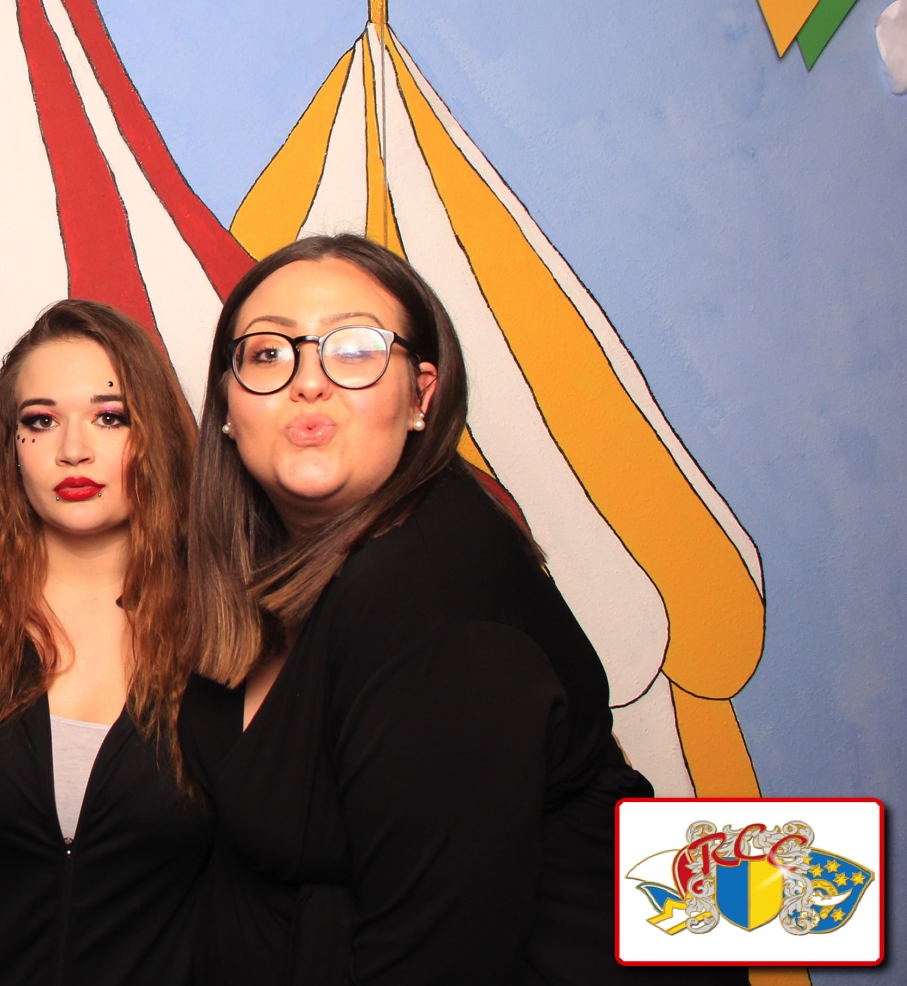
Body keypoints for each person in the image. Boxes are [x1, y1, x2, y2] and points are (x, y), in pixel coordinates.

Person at [180, 234, 747, 984]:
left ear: (422, 396)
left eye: (355, 349)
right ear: (226, 404)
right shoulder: (257, 577)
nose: (307, 382)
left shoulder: (426, 589)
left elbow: (439, 959)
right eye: (267, 354)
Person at [0, 300, 211, 986]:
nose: (73, 450)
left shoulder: (221, 622)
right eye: (40, 421)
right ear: (10, 447)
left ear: (156, 432)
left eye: (110, 417)